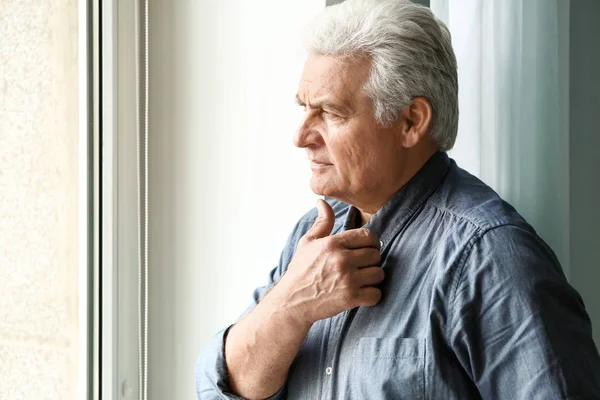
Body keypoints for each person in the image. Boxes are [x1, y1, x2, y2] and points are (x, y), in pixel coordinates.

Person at [195, 0, 600, 398]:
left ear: (411, 122)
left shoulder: (491, 256)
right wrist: (289, 306)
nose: (301, 137)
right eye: (305, 108)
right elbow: (219, 390)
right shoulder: (312, 235)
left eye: (331, 113)